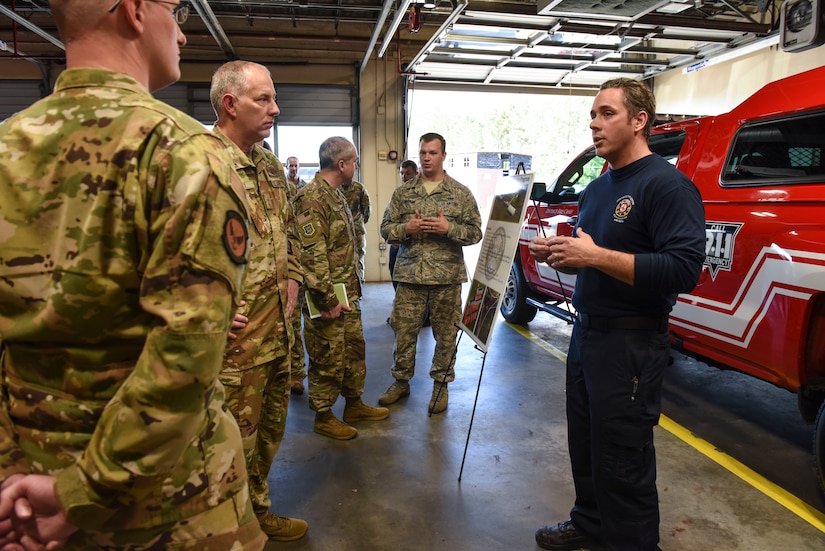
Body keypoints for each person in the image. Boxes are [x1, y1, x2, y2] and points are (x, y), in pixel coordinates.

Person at [0, 1, 266, 549]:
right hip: (168, 503)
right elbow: (186, 356)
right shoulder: (182, 153)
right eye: (177, 10)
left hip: (26, 487)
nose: (184, 36)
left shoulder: (7, 147)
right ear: (137, 10)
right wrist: (83, 493)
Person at [528, 78, 705, 551]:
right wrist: (561, 253)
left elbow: (683, 270)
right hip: (587, 336)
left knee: (623, 460)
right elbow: (593, 252)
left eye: (607, 113)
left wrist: (595, 258)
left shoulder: (667, 187)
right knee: (586, 445)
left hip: (631, 344)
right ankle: (590, 525)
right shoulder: (597, 189)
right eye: (593, 114)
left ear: (640, 120)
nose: (594, 123)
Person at [210, 60, 307, 542]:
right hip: (234, 346)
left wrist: (292, 281)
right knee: (227, 446)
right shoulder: (204, 161)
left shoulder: (268, 163)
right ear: (230, 104)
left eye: (273, 98)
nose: (275, 108)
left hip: (278, 332)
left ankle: (258, 509)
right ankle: (228, 528)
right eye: (263, 100)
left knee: (269, 434)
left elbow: (282, 230)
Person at [379, 133, 482, 414]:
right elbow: (385, 228)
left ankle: (441, 386)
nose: (426, 157)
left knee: (446, 335)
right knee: (404, 333)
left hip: (446, 279)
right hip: (410, 276)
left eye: (433, 153)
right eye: (423, 152)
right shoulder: (403, 193)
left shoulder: (460, 194)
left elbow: (475, 233)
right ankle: (400, 382)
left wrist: (450, 230)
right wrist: (405, 230)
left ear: (443, 156)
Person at [293, 137, 389, 440]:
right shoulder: (311, 198)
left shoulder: (337, 195)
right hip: (327, 298)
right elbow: (313, 258)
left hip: (348, 292)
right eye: (356, 161)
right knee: (327, 356)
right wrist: (327, 300)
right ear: (342, 164)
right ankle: (323, 415)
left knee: (352, 352)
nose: (357, 167)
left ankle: (353, 403)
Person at [285, 155, 309, 396]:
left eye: (295, 165)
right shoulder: (279, 186)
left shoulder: (305, 189)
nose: (293, 169)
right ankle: (289, 372)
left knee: (302, 322)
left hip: (301, 258)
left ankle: (298, 373)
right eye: (290, 165)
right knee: (289, 324)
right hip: (282, 258)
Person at [389, 160, 420, 289]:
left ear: (416, 173)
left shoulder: (424, 195)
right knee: (395, 274)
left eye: (407, 173)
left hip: (413, 248)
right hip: (397, 245)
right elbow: (387, 224)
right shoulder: (398, 194)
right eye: (402, 173)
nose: (404, 177)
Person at [340, 179, 372, 283]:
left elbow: (366, 209)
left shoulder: (359, 188)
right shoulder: (335, 188)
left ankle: (360, 283)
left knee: (359, 257)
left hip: (357, 229)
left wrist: (359, 222)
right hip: (341, 230)